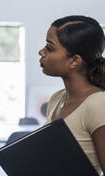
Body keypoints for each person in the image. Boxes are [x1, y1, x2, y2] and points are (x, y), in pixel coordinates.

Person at [39, 15, 105, 174]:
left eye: (50, 47)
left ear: (74, 61)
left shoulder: (98, 104)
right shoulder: (57, 98)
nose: (41, 52)